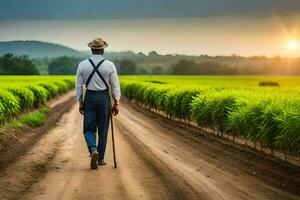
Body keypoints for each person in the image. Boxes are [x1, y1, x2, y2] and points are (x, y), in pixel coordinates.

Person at [75, 37, 121, 170]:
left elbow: (78, 86)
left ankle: (93, 149)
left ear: (91, 49)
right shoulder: (110, 65)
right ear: (103, 50)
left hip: (90, 97)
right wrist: (116, 102)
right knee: (103, 130)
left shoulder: (82, 65)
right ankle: (100, 159)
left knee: (88, 128)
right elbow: (115, 86)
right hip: (103, 99)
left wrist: (80, 101)